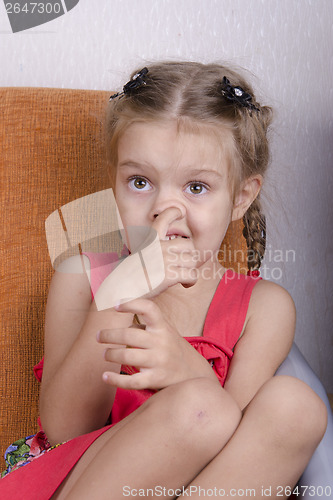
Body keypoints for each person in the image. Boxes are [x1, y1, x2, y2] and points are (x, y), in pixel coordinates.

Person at [1, 61, 327, 499]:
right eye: (139, 181)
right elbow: (64, 429)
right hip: (82, 482)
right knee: (200, 406)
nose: (162, 209)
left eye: (196, 187)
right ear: (113, 186)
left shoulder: (263, 308)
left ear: (241, 197)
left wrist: (187, 370)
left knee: (298, 407)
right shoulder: (81, 278)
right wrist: (117, 295)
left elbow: (242, 450)